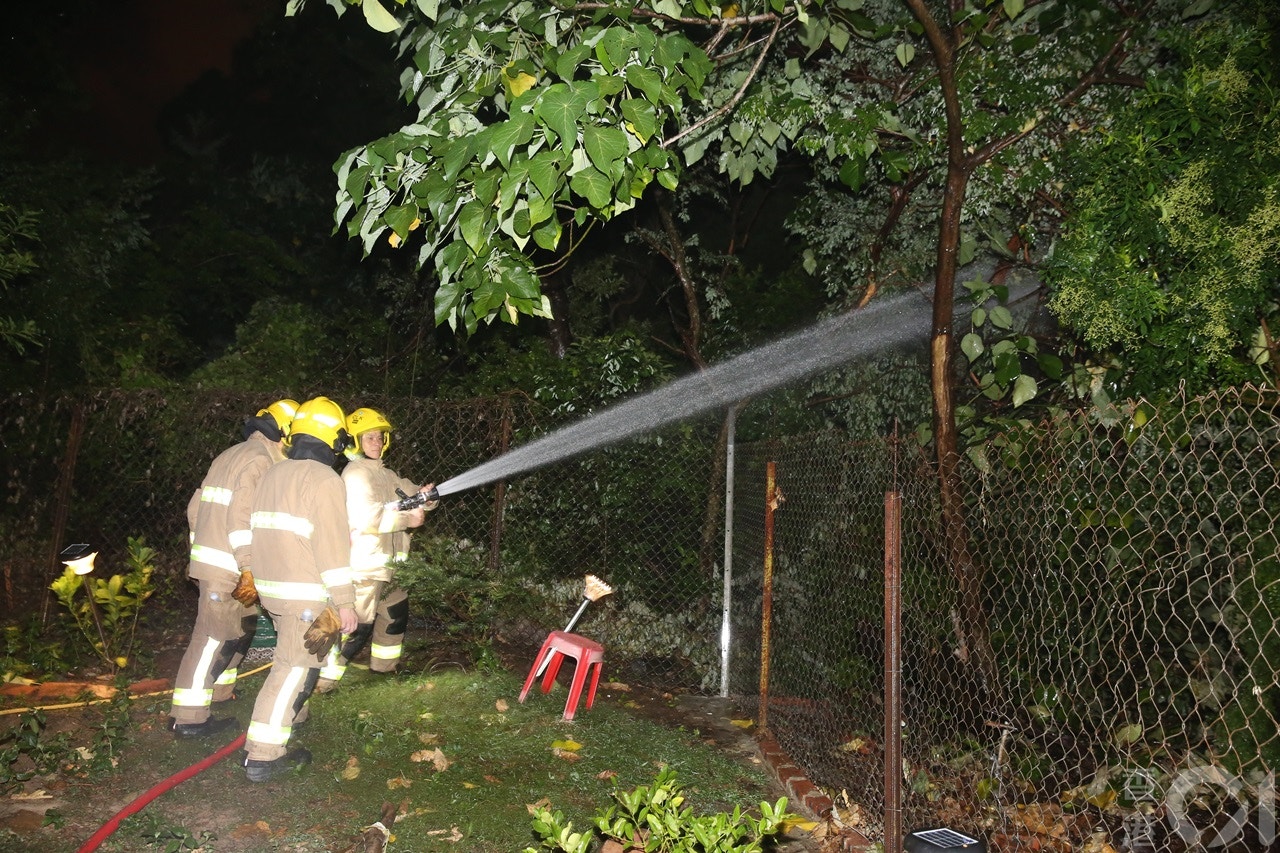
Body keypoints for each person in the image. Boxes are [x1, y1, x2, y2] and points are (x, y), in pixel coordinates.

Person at [242, 396, 358, 782]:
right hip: (303, 593)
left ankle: (292, 717)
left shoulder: (274, 472)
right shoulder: (325, 480)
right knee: (290, 670)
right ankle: (263, 756)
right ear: (335, 439)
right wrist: (345, 603)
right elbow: (332, 548)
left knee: (297, 659)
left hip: (272, 590)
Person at [168, 399, 298, 738]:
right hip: (233, 567)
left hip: (219, 563)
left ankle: (222, 691)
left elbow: (194, 508)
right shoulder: (260, 461)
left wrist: (200, 554)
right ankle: (189, 718)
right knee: (212, 639)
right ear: (283, 433)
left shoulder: (229, 455)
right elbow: (242, 517)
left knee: (242, 627)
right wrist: (248, 566)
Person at [315, 407, 438, 693]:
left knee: (395, 615)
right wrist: (409, 519)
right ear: (355, 442)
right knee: (354, 626)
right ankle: (322, 680)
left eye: (380, 437)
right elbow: (367, 518)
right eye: (369, 437)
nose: (377, 442)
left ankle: (384, 669)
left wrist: (428, 497)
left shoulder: (386, 473)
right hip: (366, 566)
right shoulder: (356, 474)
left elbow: (413, 492)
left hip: (391, 567)